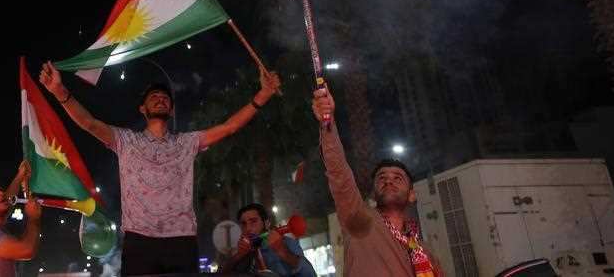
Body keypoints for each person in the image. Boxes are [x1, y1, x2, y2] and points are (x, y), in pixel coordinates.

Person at [39, 61, 281, 276]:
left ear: (172, 110)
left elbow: (229, 127)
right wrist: (59, 91)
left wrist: (263, 95)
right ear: (142, 109)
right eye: (154, 96)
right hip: (139, 242)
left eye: (165, 98)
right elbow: (89, 124)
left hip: (181, 241)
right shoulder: (125, 140)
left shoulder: (187, 142)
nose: (161, 99)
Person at [312, 86, 443, 277]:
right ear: (374, 193)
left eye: (397, 178)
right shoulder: (360, 220)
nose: (389, 181)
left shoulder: (424, 252)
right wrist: (327, 122)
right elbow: (339, 174)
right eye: (382, 178)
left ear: (412, 195)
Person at [221, 203, 316, 276]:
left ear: (266, 224)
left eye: (253, 221)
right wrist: (238, 256)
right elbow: (221, 274)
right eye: (243, 224)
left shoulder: (286, 243)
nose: (248, 228)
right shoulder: (242, 250)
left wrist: (283, 251)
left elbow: (310, 274)